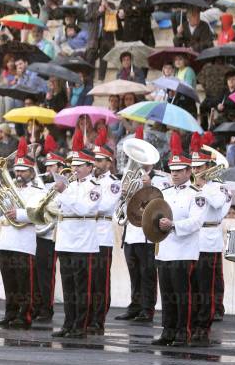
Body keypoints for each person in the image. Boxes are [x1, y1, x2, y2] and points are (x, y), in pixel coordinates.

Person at [152, 151, 206, 347]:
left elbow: (197, 221)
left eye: (179, 171)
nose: (174, 174)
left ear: (188, 171)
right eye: (172, 171)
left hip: (184, 251)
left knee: (183, 295)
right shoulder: (164, 194)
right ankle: (168, 331)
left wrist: (173, 225)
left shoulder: (196, 195)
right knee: (167, 295)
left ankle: (184, 332)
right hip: (166, 250)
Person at [51, 145, 101, 339]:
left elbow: (84, 209)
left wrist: (64, 193)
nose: (76, 169)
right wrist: (58, 194)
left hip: (83, 241)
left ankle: (80, 326)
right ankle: (68, 323)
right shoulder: (70, 186)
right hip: (65, 239)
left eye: (80, 165)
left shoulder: (94, 187)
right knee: (68, 286)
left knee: (82, 287)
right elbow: (56, 207)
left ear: (90, 166)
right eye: (74, 165)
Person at [0, 138, 43, 329]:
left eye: (23, 171)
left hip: (24, 241)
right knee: (9, 281)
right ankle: (10, 313)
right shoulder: (9, 188)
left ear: (31, 172)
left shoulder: (37, 190)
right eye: (17, 170)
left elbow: (39, 214)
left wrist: (20, 214)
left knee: (25, 282)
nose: (19, 174)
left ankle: (25, 315)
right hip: (6, 239)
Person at [116, 162, 170, 323]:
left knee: (148, 274)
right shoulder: (129, 177)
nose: (140, 163)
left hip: (147, 234)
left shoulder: (160, 179)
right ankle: (135, 306)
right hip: (131, 234)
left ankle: (147, 309)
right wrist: (124, 195)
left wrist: (150, 185)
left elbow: (163, 203)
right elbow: (121, 209)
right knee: (135, 275)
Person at [190, 148, 231, 346]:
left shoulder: (218, 187)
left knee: (208, 286)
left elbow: (217, 204)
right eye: (194, 167)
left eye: (199, 167)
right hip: (191, 240)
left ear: (208, 168)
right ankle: (193, 323)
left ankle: (205, 325)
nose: (196, 170)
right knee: (193, 286)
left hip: (209, 239)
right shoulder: (190, 187)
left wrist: (202, 186)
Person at [89, 143, 120, 335]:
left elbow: (106, 206)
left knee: (100, 281)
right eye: (94, 160)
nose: (96, 164)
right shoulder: (86, 181)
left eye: (100, 161)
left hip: (101, 235)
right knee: (86, 281)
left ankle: (98, 319)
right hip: (85, 235)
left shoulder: (114, 183)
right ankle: (86, 316)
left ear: (109, 163)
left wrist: (84, 206)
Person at [33, 144, 66, 322]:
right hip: (41, 234)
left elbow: (54, 208)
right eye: (46, 166)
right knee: (38, 273)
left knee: (47, 274)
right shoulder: (45, 185)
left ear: (60, 168)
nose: (47, 169)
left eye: (51, 166)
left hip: (53, 235)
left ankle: (47, 308)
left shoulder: (63, 186)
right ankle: (38, 306)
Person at [84, 0, 116, 81]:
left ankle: (101, 78)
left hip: (106, 36)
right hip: (94, 36)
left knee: (104, 58)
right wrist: (99, 11)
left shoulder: (111, 5)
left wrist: (107, 8)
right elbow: (87, 17)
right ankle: (89, 79)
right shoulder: (90, 5)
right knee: (90, 57)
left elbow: (115, 16)